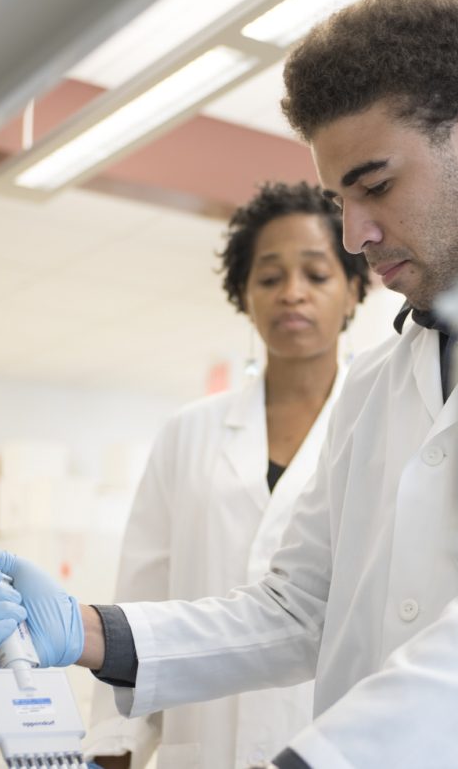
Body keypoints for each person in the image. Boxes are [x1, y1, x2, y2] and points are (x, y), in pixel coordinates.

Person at [0, 0, 458, 767]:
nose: (355, 234)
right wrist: (88, 630)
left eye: (375, 186)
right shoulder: (381, 380)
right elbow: (300, 605)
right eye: (343, 202)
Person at [87, 181, 371, 769]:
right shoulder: (188, 433)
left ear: (353, 291)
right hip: (204, 743)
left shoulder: (378, 421)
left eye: (316, 275)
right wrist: (116, 747)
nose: (292, 294)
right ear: (244, 295)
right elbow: (143, 593)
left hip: (329, 741)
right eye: (269, 278)